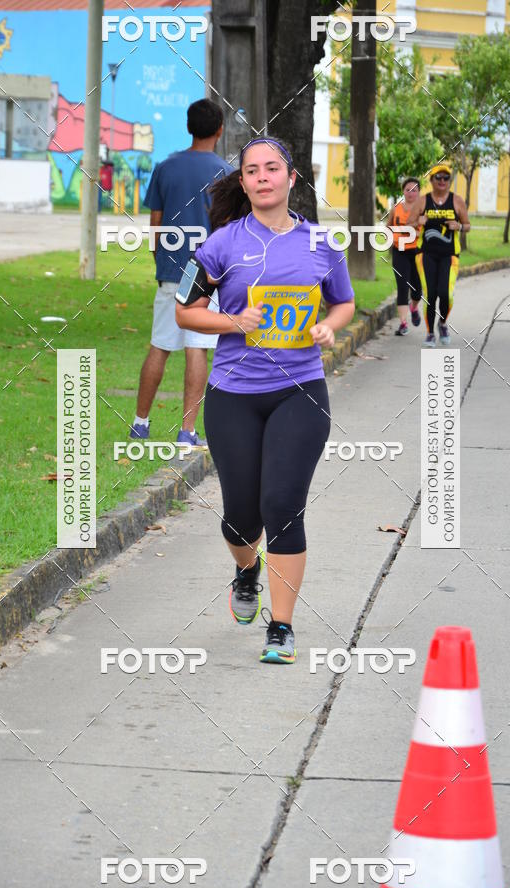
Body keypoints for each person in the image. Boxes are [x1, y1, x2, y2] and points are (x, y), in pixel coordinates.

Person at [174, 138, 355, 664]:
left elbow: (344, 302)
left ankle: (281, 627)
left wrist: (328, 328)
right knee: (239, 519)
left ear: (292, 177)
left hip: (300, 391)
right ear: (245, 183)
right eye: (251, 171)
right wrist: (234, 322)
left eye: (272, 168)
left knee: (281, 505)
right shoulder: (219, 245)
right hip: (233, 395)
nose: (262, 177)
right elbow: (186, 312)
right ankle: (246, 569)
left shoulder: (322, 243)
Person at [129, 99, 234, 443]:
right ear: (219, 130)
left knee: (159, 346)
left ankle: (140, 424)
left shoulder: (165, 167)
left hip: (171, 271)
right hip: (206, 274)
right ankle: (187, 432)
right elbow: (227, 229)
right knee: (197, 349)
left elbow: (155, 225)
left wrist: (160, 258)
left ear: (189, 127)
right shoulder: (226, 173)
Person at [409, 164, 470, 347]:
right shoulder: (423, 201)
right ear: (432, 180)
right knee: (431, 294)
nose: (442, 181)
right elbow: (410, 222)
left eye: (446, 178)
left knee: (446, 294)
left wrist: (458, 226)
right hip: (426, 254)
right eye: (438, 178)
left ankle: (442, 323)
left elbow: (467, 225)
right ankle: (429, 333)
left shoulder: (457, 201)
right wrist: (418, 221)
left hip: (450, 255)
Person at [390, 177, 422, 336]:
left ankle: (414, 307)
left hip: (417, 253)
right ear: (403, 191)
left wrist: (414, 231)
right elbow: (389, 227)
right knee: (402, 288)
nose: (411, 193)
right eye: (408, 189)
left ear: (419, 192)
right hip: (399, 251)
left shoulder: (424, 211)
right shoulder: (396, 208)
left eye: (414, 190)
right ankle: (403, 323)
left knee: (417, 291)